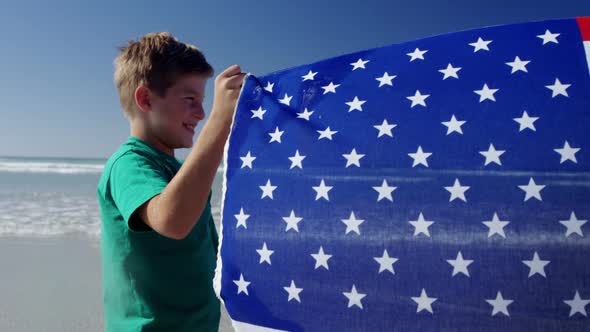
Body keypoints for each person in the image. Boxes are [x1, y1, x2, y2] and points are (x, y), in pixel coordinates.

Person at [96, 32, 245, 331]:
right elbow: (173, 221)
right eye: (190, 99)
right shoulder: (129, 164)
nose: (202, 113)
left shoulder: (179, 170)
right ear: (145, 99)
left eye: (204, 102)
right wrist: (219, 122)